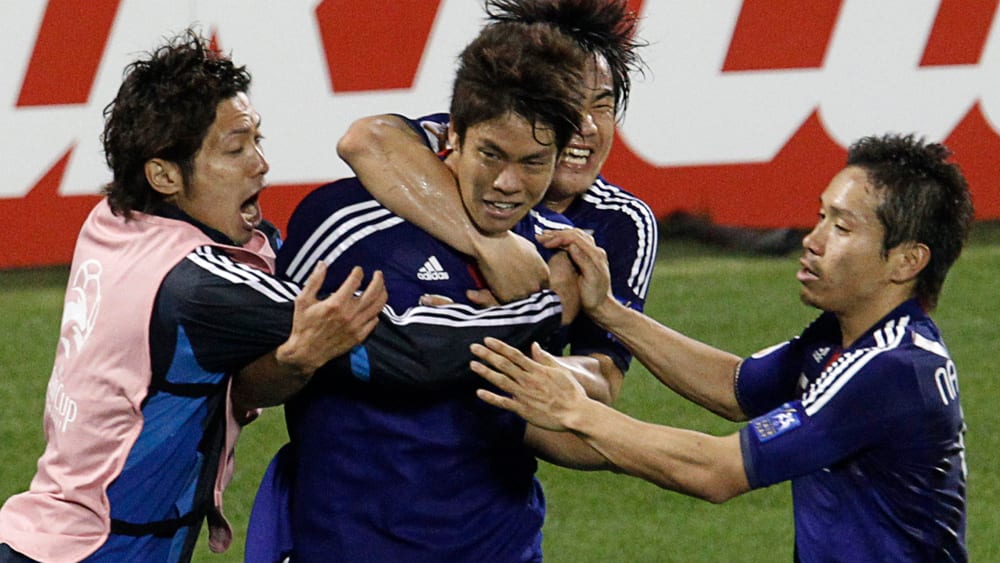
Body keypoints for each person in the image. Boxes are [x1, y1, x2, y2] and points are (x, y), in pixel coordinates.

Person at [0, 29, 567, 563]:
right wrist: (544, 304)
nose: (261, 165)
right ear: (164, 175)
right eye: (235, 150)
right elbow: (410, 353)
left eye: (257, 140)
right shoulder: (200, 287)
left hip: (49, 536)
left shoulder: (112, 223)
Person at [471, 133, 974, 562]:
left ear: (907, 261)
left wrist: (575, 410)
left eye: (841, 227)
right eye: (821, 217)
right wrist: (610, 312)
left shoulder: (891, 369)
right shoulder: (842, 338)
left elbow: (717, 471)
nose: (813, 239)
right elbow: (736, 387)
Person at [260, 21, 595, 562]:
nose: (508, 183)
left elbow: (557, 402)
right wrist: (544, 309)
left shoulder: (553, 246)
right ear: (452, 133)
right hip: (353, 546)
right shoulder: (343, 220)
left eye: (533, 163)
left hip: (503, 547)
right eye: (491, 155)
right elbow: (408, 353)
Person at [339, 0, 657, 402]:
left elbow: (604, 379)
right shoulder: (472, 140)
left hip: (503, 410)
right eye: (572, 104)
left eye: (603, 106)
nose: (587, 126)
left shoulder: (620, 221)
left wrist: (496, 340)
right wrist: (490, 245)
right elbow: (365, 140)